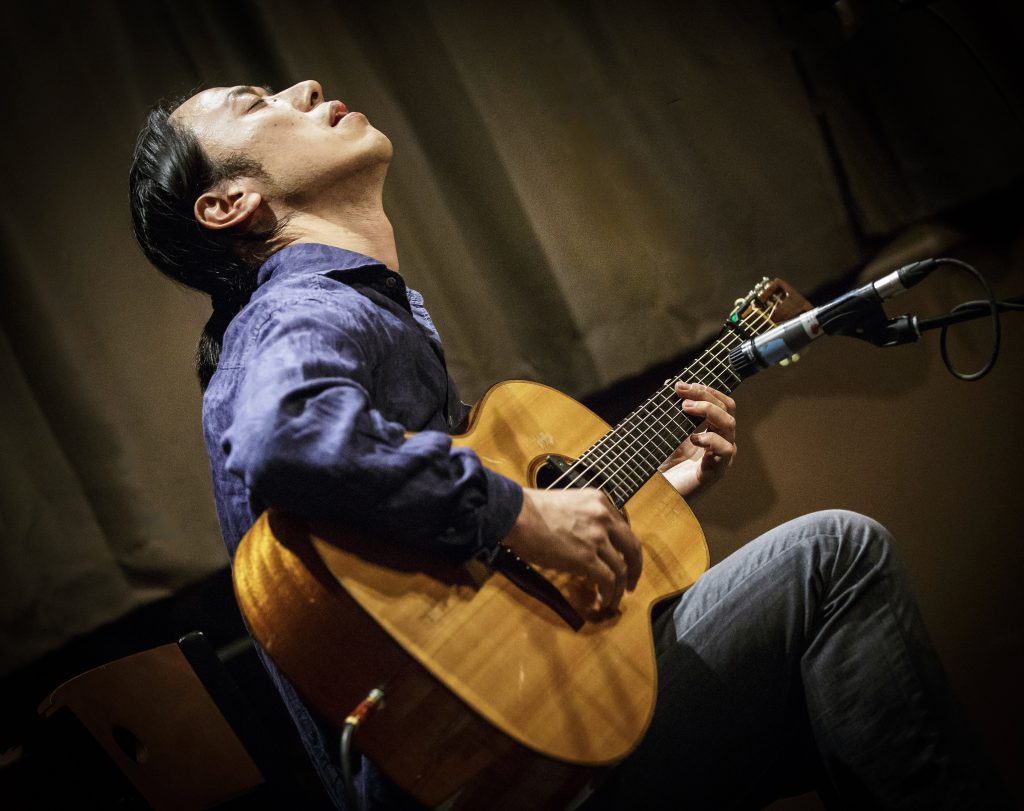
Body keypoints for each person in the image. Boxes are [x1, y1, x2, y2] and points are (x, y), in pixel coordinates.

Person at [129, 80, 1007, 809]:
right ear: (228, 204)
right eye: (255, 103)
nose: (304, 86)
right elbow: (285, 435)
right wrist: (522, 512)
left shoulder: (336, 310)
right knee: (835, 558)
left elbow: (452, 585)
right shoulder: (301, 307)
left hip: (504, 741)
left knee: (833, 684)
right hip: (485, 771)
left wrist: (635, 500)